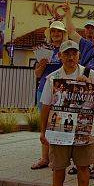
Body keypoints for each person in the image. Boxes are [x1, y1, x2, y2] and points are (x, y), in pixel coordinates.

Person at [39, 40, 94, 186]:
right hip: (60, 129)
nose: (70, 57)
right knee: (59, 166)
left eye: (73, 53)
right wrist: (42, 131)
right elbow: (46, 106)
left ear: (79, 55)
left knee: (83, 166)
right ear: (60, 56)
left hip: (84, 130)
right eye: (66, 54)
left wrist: (90, 84)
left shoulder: (89, 73)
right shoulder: (53, 78)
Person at [62, 4, 94, 179]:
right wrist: (68, 13)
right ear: (93, 38)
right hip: (78, 99)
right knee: (78, 131)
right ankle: (80, 162)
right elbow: (71, 31)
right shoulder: (85, 46)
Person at [32, 20, 67, 170]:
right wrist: (43, 65)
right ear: (50, 33)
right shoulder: (43, 50)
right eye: (53, 31)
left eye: (59, 31)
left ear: (63, 33)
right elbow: (37, 74)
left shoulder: (68, 50)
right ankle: (44, 158)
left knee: (58, 124)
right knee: (45, 124)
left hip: (62, 92)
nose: (56, 34)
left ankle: (56, 159)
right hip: (44, 89)